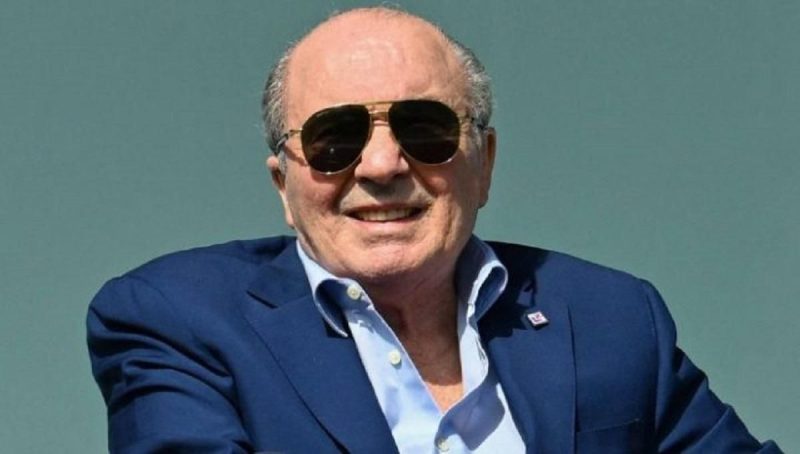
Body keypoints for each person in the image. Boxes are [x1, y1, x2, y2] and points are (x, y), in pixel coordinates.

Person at [87, 6, 781, 453]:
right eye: (335, 139)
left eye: (424, 130)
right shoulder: (176, 320)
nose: (382, 164)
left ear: (484, 162)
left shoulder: (611, 317)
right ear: (284, 186)